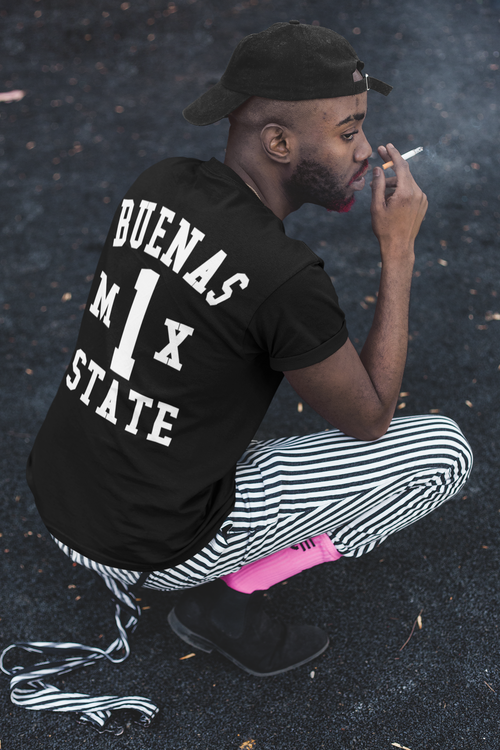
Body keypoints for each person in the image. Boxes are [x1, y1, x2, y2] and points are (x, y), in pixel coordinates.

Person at [2, 21, 472, 734]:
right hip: (151, 547)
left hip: (60, 496)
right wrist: (398, 250)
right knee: (443, 451)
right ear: (278, 142)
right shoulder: (284, 277)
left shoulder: (157, 181)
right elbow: (372, 418)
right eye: (348, 132)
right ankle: (222, 601)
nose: (365, 152)